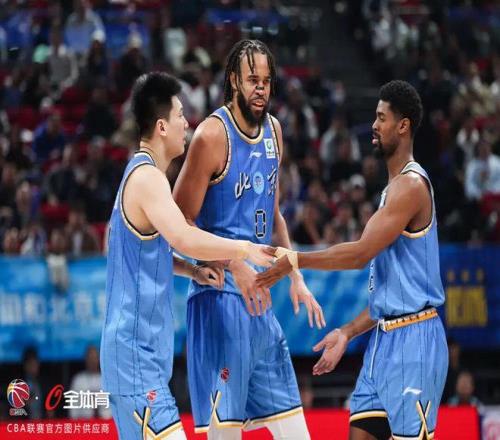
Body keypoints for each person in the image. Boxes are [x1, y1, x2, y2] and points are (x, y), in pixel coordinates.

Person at [257, 80, 448, 440]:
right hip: (383, 340)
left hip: (416, 341)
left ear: (403, 126)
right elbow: (389, 299)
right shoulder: (391, 190)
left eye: (381, 118)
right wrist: (347, 332)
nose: (373, 125)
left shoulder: (410, 186)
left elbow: (360, 254)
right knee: (359, 431)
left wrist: (295, 260)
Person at [100, 72, 274, 440]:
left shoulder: (138, 175)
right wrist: (242, 248)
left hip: (138, 355)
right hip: (134, 356)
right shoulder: (148, 178)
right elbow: (183, 237)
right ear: (161, 126)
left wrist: (191, 272)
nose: (187, 124)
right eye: (180, 115)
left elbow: (134, 250)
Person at [173, 39, 325, 439]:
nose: (261, 88)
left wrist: (295, 273)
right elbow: (178, 223)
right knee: (225, 433)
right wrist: (232, 262)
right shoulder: (211, 135)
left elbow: (273, 214)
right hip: (219, 298)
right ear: (234, 81)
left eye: (267, 81)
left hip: (260, 303)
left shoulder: (275, 131)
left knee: (296, 433)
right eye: (252, 79)